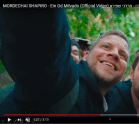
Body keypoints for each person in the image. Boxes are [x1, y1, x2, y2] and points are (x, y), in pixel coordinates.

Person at [0, 8, 130, 115]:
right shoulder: (62, 79)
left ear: (122, 76)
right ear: (85, 55)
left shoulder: (111, 106)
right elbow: (39, 33)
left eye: (122, 55)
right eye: (106, 46)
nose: (114, 54)